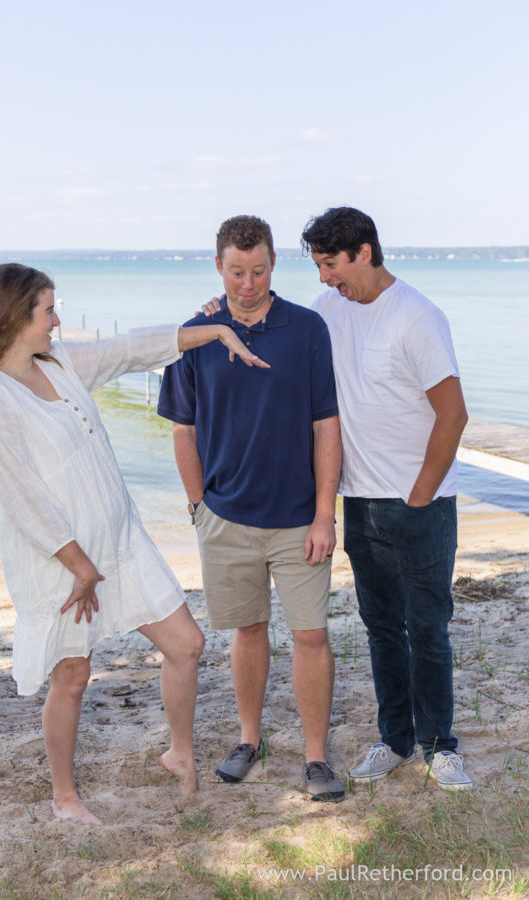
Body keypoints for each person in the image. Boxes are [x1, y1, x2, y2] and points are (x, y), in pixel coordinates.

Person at [0, 262, 268, 825]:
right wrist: (79, 566)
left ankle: (178, 751)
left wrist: (216, 329)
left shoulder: (59, 362)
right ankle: (64, 797)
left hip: (121, 543)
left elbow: (131, 349)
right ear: (13, 317)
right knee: (73, 676)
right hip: (61, 563)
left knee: (186, 644)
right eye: (48, 310)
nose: (57, 321)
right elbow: (21, 493)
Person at [157, 215, 344, 801]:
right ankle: (249, 738)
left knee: (311, 636)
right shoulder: (194, 334)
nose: (247, 283)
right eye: (236, 272)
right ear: (219, 266)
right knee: (248, 630)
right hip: (225, 518)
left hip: (297, 520)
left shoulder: (307, 329)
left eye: (258, 270)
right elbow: (182, 430)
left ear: (272, 265)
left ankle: (316, 757)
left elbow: (326, 425)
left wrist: (323, 514)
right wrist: (198, 508)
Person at [301, 206, 472, 791]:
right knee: (379, 628)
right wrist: (217, 315)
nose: (325, 278)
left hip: (420, 507)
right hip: (358, 503)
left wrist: (421, 494)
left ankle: (440, 745)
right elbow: (273, 326)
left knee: (428, 628)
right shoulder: (328, 312)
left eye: (331, 265)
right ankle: (396, 739)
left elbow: (453, 414)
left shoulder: (417, 316)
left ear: (364, 252)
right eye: (320, 266)